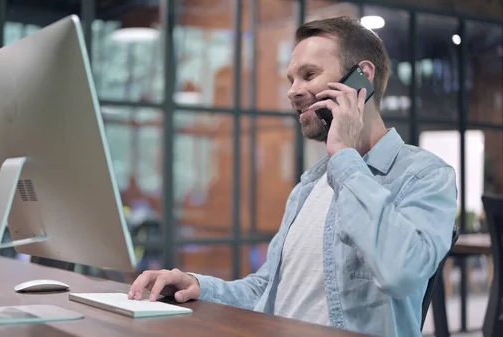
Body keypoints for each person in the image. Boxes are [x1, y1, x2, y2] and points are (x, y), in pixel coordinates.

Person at [127, 16, 458, 337]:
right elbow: (267, 288)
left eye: (309, 75)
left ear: (362, 79)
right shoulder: (310, 184)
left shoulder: (425, 175)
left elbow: (401, 272)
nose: (293, 91)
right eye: (291, 80)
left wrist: (345, 156)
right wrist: (198, 285)